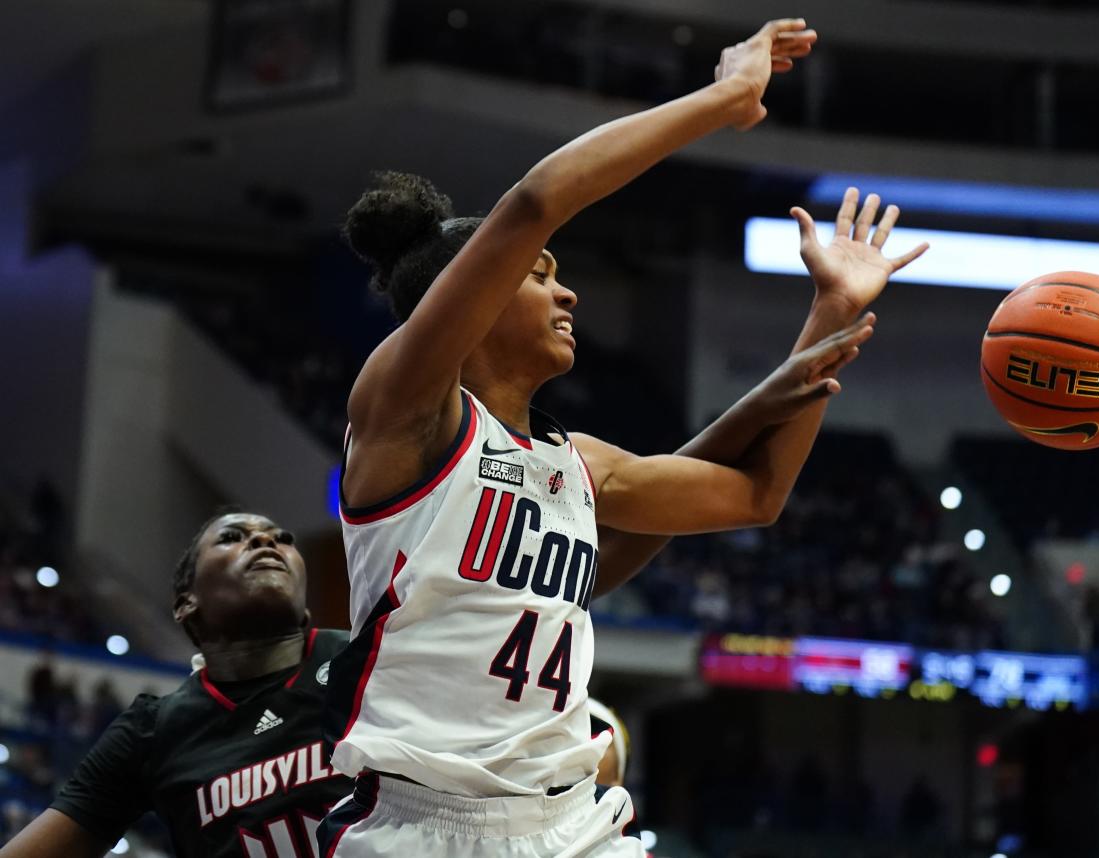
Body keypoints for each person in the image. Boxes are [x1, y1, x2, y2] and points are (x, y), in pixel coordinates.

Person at [324, 17, 925, 858]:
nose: (567, 296)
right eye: (541, 275)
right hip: (425, 825)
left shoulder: (583, 463)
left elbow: (756, 494)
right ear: (476, 297)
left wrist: (832, 313)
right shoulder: (404, 411)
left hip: (569, 821)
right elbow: (536, 201)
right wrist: (724, 99)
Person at [0, 511, 352, 858]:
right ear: (187, 603)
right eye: (232, 537)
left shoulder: (365, 657)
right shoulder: (154, 731)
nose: (266, 541)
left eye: (283, 539)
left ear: (304, 606)